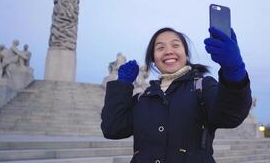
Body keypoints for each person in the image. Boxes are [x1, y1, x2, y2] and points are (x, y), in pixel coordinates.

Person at [101, 27, 252, 163]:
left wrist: (234, 71)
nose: (168, 51)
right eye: (160, 48)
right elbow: (113, 129)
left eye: (175, 45)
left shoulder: (202, 86)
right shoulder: (143, 97)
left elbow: (230, 116)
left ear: (186, 55)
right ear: (153, 59)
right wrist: (122, 85)